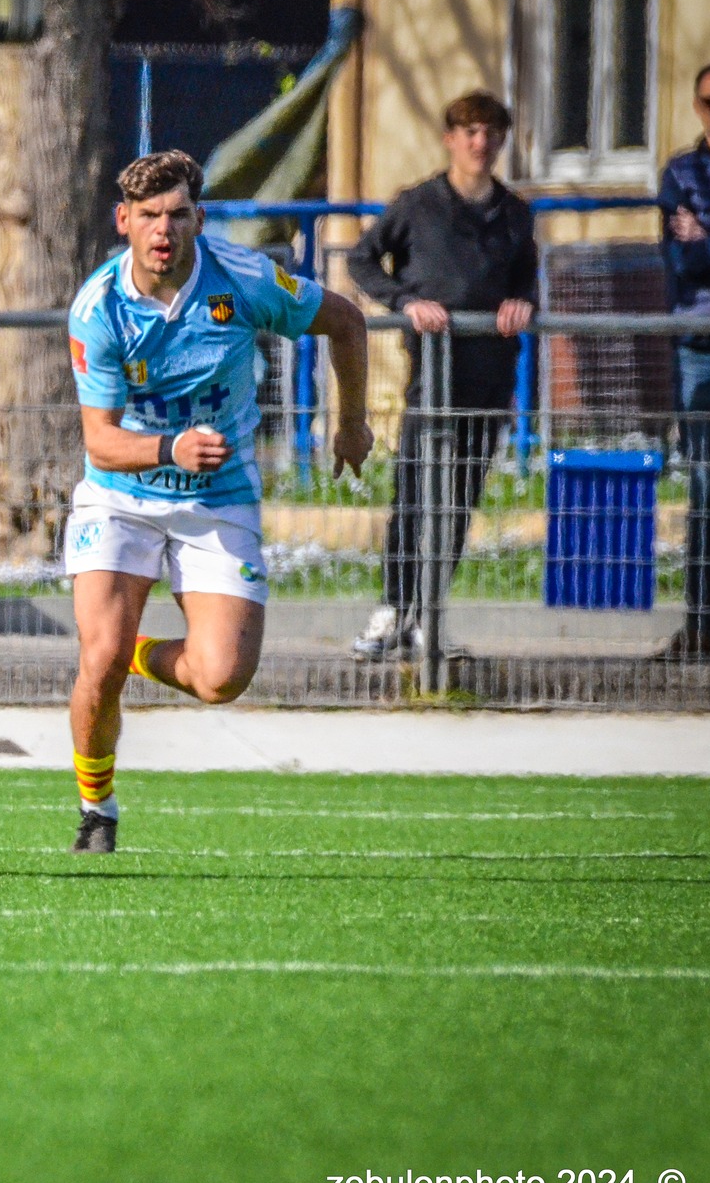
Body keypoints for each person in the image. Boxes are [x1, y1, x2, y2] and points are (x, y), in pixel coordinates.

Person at [65, 150, 371, 853]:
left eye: (177, 215)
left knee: (221, 678)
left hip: (217, 498)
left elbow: (348, 323)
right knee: (97, 659)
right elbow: (102, 443)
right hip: (121, 498)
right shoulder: (99, 308)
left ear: (199, 219)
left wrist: (349, 422)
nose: (162, 230)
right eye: (148, 216)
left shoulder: (245, 278)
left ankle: (133, 655)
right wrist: (170, 447)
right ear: (124, 222)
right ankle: (97, 805)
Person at [344, 90, 537, 660]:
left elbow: (526, 280)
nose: (481, 143)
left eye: (491, 133)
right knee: (415, 493)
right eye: (470, 132)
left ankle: (429, 616)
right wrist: (404, 301)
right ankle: (392, 609)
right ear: (451, 138)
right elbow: (361, 259)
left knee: (459, 499)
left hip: (490, 378)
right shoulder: (417, 204)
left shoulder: (515, 214)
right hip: (432, 378)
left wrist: (521, 303)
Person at [658, 61, 710, 661]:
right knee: (706, 490)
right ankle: (700, 628)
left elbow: (703, 251)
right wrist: (706, 248)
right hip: (703, 346)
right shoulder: (681, 173)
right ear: (697, 107)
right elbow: (684, 264)